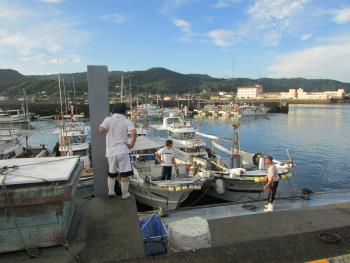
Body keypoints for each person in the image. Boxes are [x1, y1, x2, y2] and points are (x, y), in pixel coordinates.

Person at [99, 103, 137, 199]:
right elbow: (134, 132)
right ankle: (124, 194)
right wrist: (131, 144)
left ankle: (111, 192)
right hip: (123, 150)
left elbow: (101, 130)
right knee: (125, 174)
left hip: (110, 151)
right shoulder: (126, 120)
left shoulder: (108, 119)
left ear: (113, 110)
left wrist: (106, 129)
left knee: (112, 173)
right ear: (124, 111)